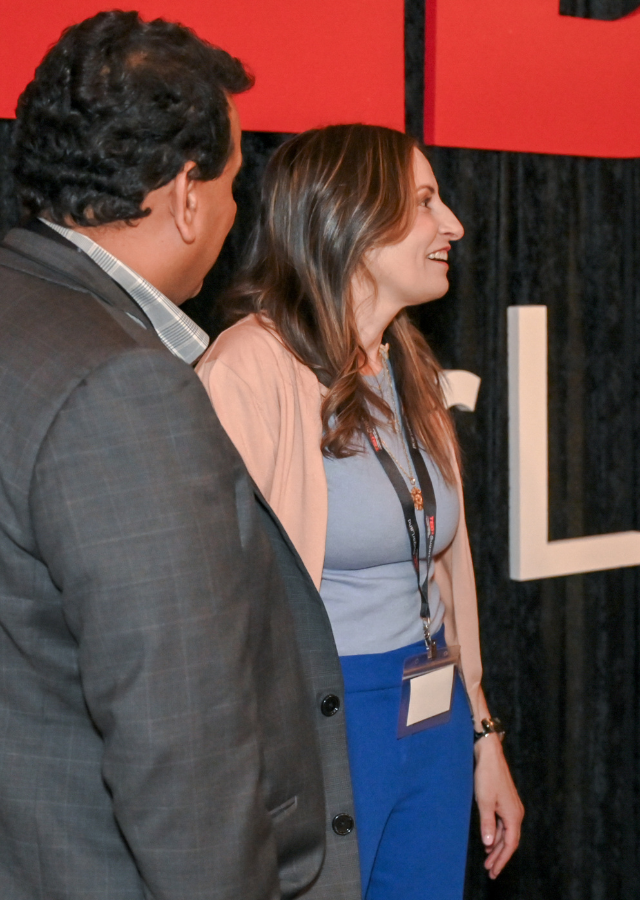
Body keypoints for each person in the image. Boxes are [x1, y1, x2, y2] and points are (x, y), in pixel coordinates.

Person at [0, 12, 360, 899]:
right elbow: (182, 746)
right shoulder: (126, 390)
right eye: (236, 182)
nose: (237, 212)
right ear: (189, 192)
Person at [196, 124, 523, 899]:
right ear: (349, 221)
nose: (454, 225)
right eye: (423, 203)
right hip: (321, 722)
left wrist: (483, 736)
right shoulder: (248, 369)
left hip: (434, 718)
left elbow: (444, 569)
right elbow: (211, 605)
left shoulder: (406, 361)